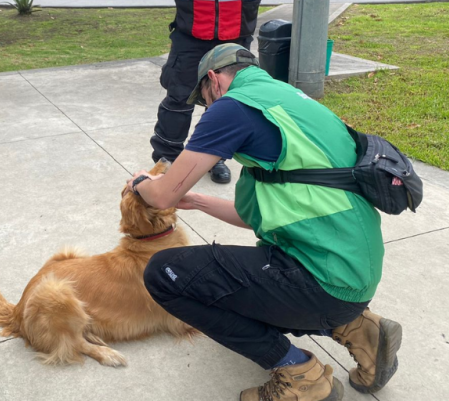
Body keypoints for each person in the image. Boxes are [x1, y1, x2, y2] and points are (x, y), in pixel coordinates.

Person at [128, 43, 403, 401]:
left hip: (322, 282)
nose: (207, 108)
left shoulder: (232, 107)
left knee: (165, 274)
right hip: (352, 276)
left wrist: (141, 184)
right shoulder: (288, 100)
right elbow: (251, 217)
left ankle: (300, 375)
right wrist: (194, 200)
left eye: (205, 100)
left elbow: (161, 196)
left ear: (215, 80)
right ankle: (359, 328)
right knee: (234, 286)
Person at [151, 0, 262, 184]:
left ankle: (214, 157)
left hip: (235, 33)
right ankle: (166, 160)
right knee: (179, 99)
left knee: (225, 101)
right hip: (190, 34)